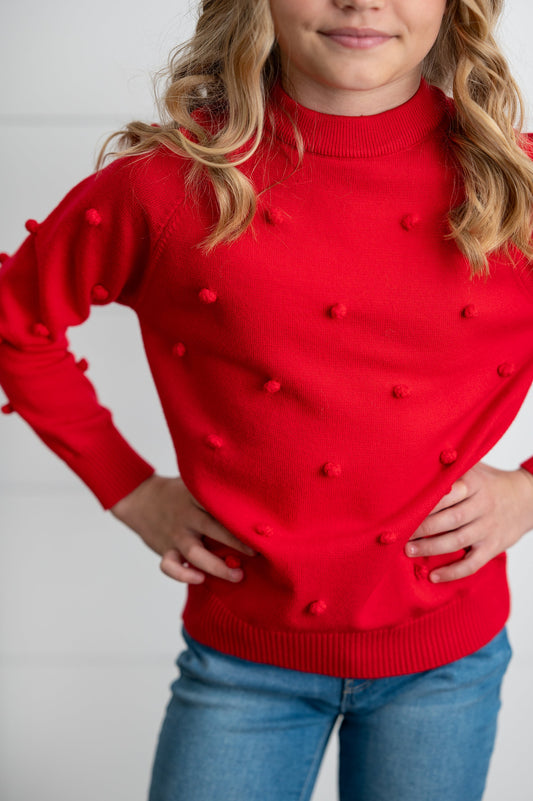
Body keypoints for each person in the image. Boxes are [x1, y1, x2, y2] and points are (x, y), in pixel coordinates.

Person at [2, 0, 533, 798]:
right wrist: (131, 489)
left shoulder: (514, 184)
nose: (361, 2)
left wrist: (527, 490)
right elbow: (18, 320)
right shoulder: (170, 183)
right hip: (240, 667)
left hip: (447, 663)